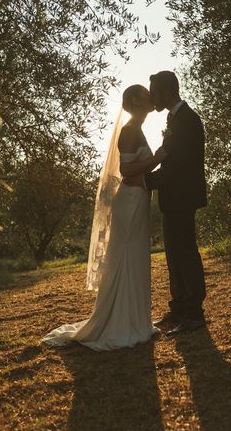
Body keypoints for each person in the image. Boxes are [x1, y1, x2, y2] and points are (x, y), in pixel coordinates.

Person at [41, 85, 166, 350]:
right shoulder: (130, 130)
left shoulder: (137, 128)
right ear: (135, 100)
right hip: (130, 201)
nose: (151, 98)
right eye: (146, 94)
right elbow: (126, 169)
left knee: (134, 254)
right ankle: (122, 323)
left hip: (137, 199)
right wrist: (156, 158)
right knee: (127, 254)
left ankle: (135, 319)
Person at [145, 71, 208, 335]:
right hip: (173, 197)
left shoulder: (188, 120)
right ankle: (179, 308)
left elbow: (179, 165)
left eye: (154, 91)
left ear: (167, 91)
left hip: (182, 196)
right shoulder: (175, 118)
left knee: (184, 252)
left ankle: (194, 313)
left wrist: (145, 181)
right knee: (174, 253)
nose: (151, 97)